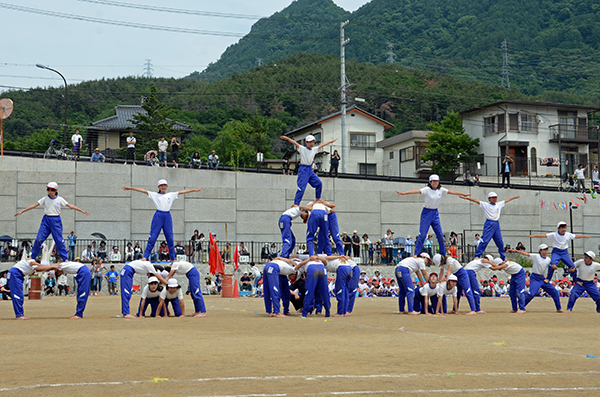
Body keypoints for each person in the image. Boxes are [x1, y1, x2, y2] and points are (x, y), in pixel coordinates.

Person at [122, 180, 202, 262]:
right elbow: (143, 191)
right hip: (158, 216)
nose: (163, 187)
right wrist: (131, 188)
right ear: (158, 187)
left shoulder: (171, 195)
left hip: (167, 216)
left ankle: (172, 258)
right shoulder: (155, 195)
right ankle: (145, 257)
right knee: (152, 237)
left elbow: (182, 192)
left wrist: (194, 190)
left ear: (167, 187)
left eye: (165, 185)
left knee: (170, 238)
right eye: (161, 185)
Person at [15, 182, 90, 262]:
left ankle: (65, 259)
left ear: (56, 190)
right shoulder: (44, 199)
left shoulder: (59, 199)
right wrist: (22, 211)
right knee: (38, 239)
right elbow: (34, 205)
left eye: (52, 190)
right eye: (48, 189)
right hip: (46, 220)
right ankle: (33, 257)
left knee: (59, 240)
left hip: (56, 220)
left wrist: (82, 211)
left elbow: (70, 206)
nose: (50, 191)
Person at [396, 174, 468, 257]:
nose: (435, 183)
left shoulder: (440, 190)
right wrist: (404, 193)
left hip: (435, 213)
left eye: (437, 181)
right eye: (433, 181)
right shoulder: (427, 189)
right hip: (426, 213)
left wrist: (463, 194)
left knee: (440, 235)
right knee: (422, 235)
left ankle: (444, 254)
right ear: (430, 182)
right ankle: (416, 254)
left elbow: (451, 191)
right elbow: (416, 191)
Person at [280, 134, 337, 206]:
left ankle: (318, 198)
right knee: (302, 188)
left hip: (310, 169)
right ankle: (296, 203)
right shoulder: (302, 149)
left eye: (313, 142)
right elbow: (295, 143)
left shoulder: (314, 149)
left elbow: (322, 145)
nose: (312, 143)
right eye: (310, 142)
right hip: (303, 169)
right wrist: (286, 138)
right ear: (306, 142)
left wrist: (331, 142)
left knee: (319, 183)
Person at [461, 192, 520, 260]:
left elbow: (506, 200)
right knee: (485, 240)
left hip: (496, 223)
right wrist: (466, 198)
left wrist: (514, 197)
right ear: (489, 198)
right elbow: (476, 200)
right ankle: (477, 256)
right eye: (493, 197)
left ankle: (503, 257)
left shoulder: (498, 204)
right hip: (489, 223)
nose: (495, 199)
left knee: (500, 242)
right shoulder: (486, 205)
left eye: (496, 197)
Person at [508, 245, 563, 312]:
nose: (546, 251)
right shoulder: (536, 256)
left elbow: (551, 269)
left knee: (554, 292)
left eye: (546, 250)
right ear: (540, 250)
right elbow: (526, 253)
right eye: (544, 250)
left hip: (542, 278)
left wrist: (548, 278)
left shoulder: (548, 259)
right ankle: (521, 307)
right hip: (535, 277)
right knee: (531, 294)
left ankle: (559, 308)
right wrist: (515, 250)